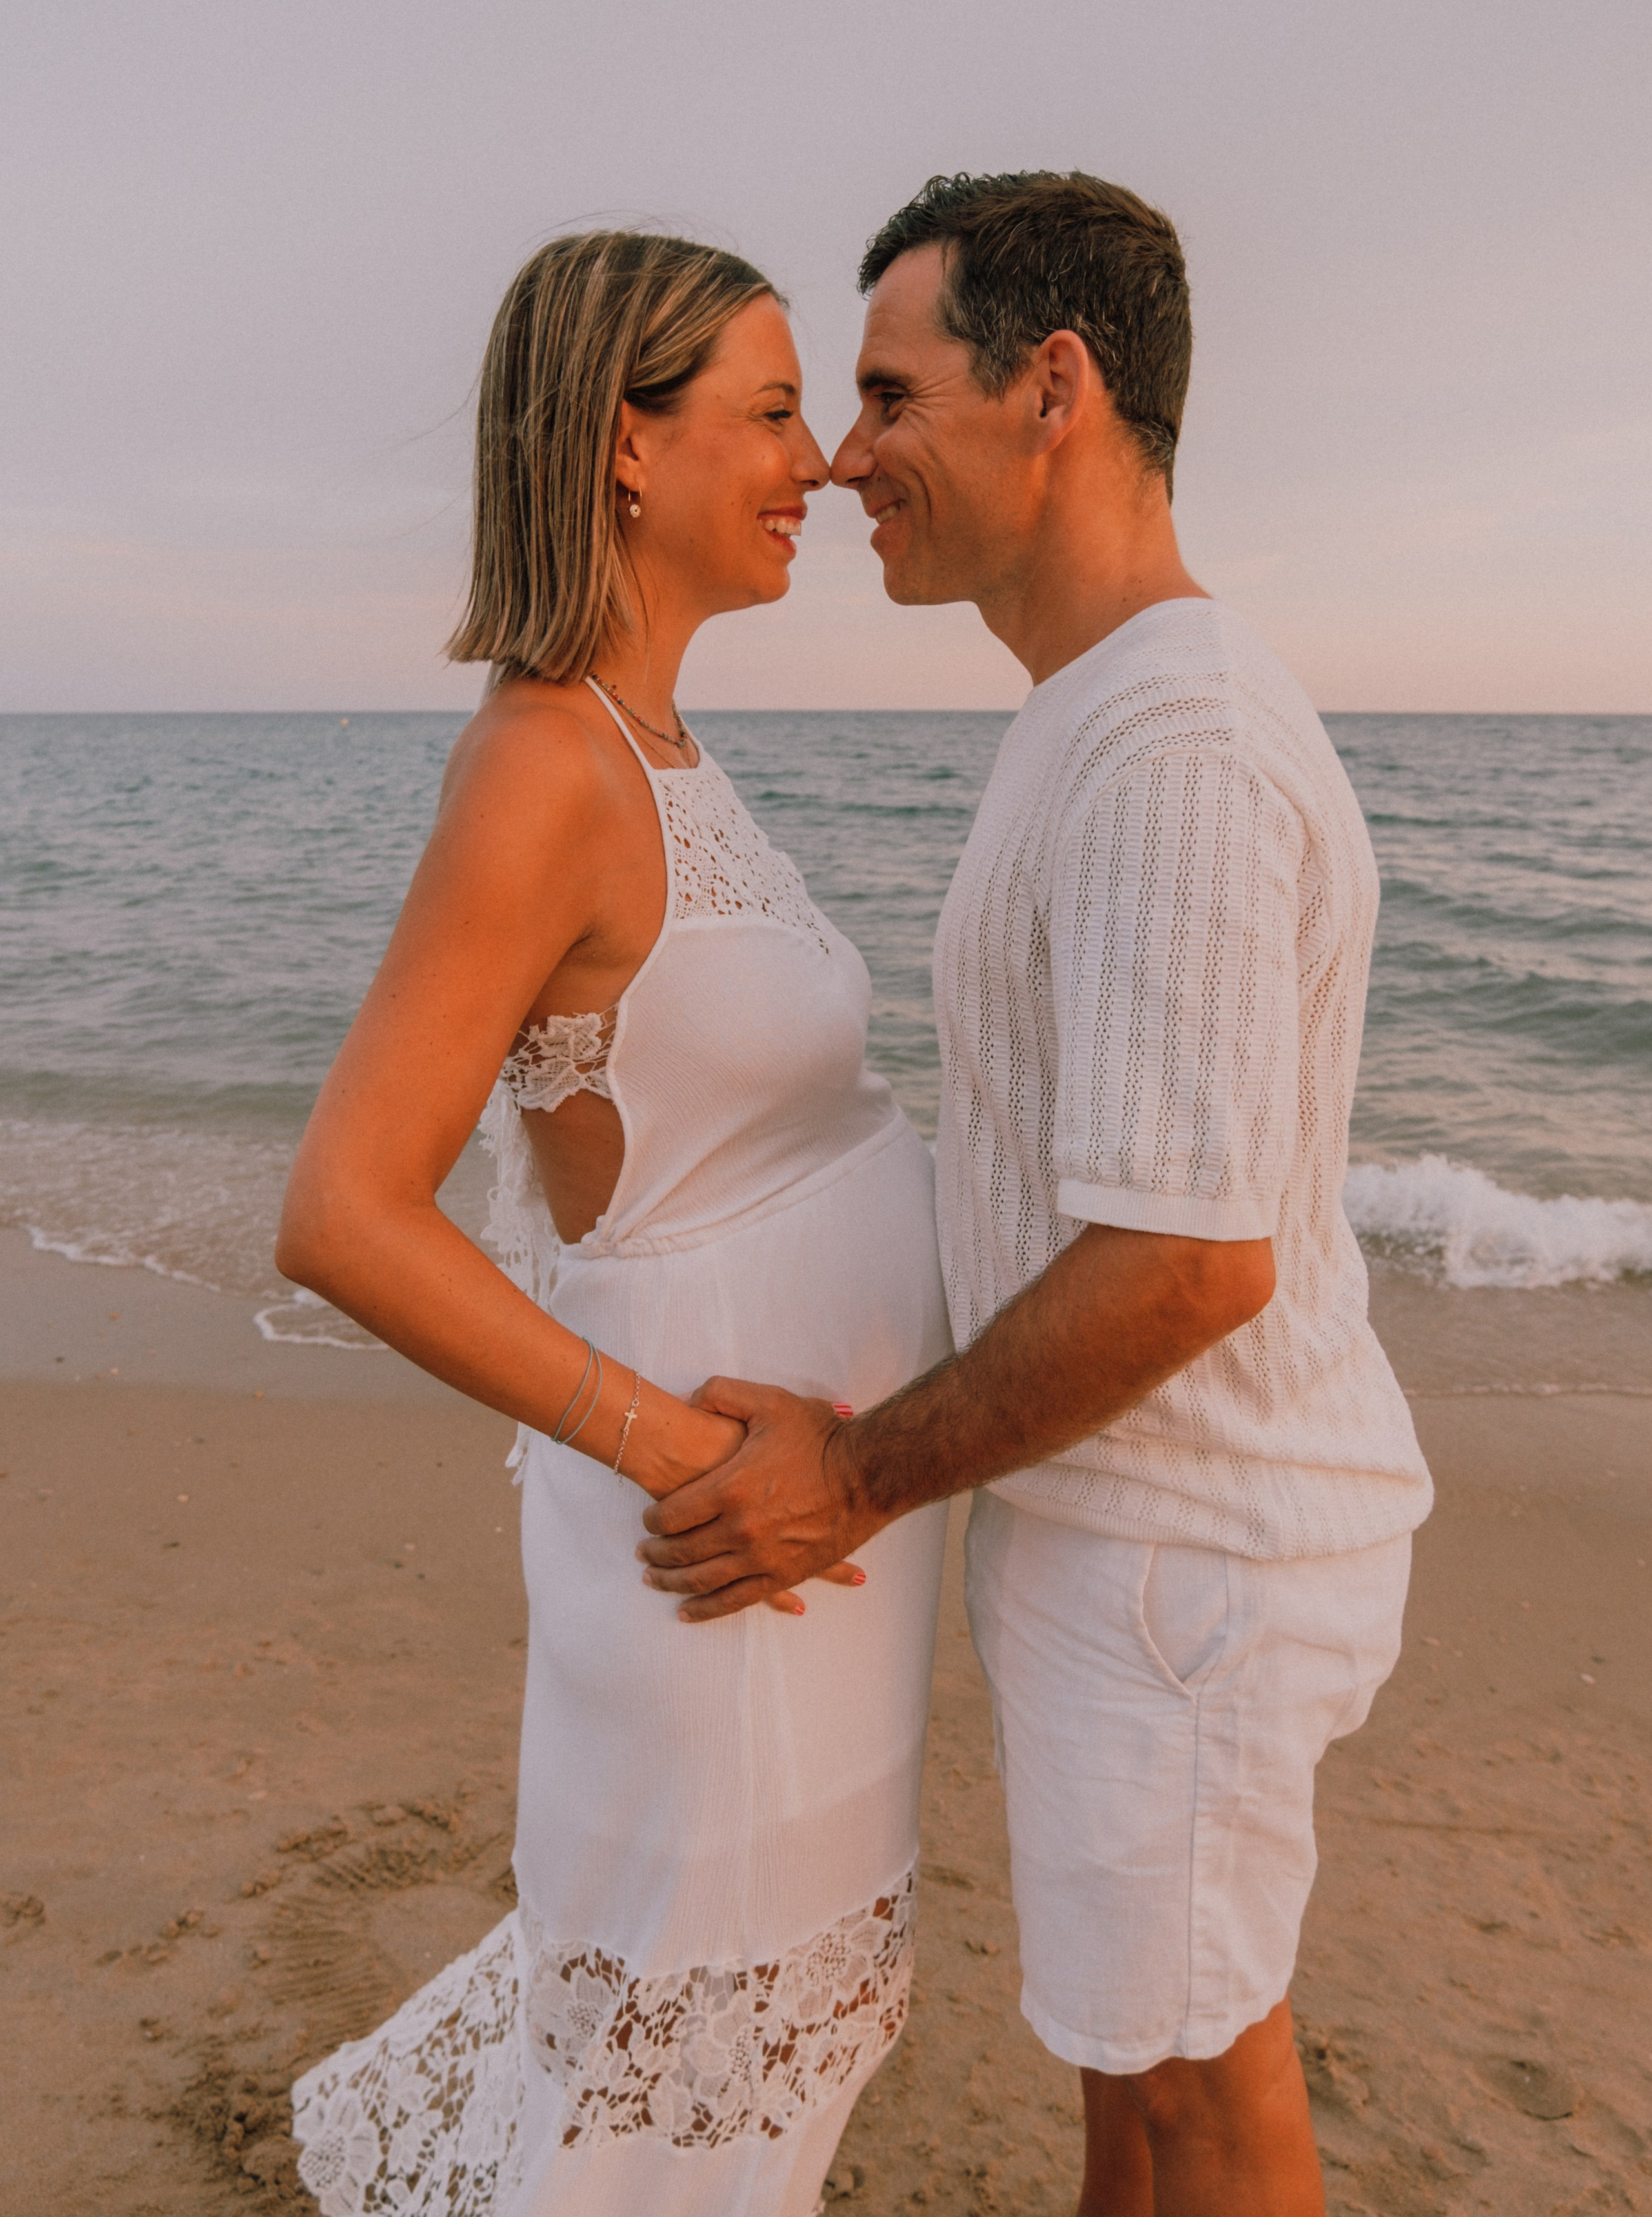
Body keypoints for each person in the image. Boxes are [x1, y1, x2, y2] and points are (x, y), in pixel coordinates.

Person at [638, 172, 1435, 2217]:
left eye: (892, 395)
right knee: (1134, 2077)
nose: (844, 457)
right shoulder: (1100, 710)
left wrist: (856, 1474)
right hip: (1138, 1542)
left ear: (1053, 387)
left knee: (1201, 2099)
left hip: (1193, 1555)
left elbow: (1187, 1261)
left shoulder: (1176, 746)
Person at [275, 230, 951, 2217]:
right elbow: (343, 1211)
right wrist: (667, 1447)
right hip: (718, 1557)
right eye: (771, 412)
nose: (818, 461)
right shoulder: (544, 765)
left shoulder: (658, 749)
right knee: (675, 2120)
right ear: (624, 446)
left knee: (747, 2082)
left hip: (795, 1556)